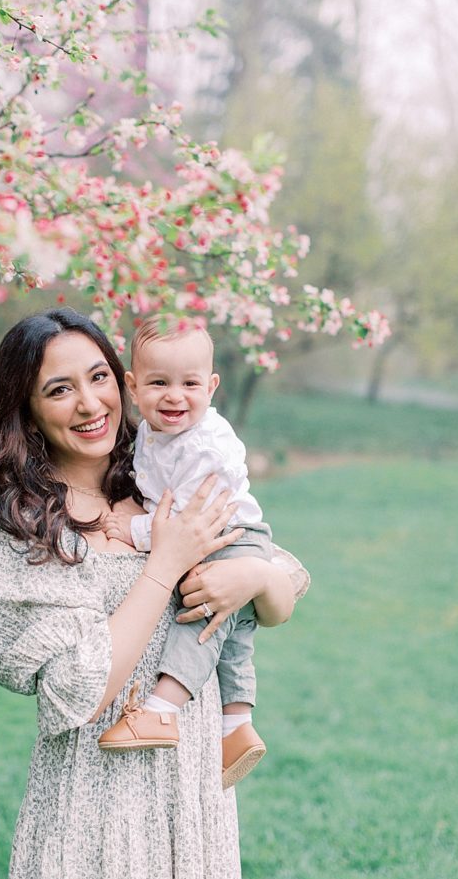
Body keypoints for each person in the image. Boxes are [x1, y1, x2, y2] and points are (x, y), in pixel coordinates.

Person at [0, 307, 305, 879]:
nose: (90, 403)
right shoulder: (32, 528)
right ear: (27, 410)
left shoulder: (161, 477)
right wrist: (164, 565)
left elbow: (282, 587)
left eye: (98, 377)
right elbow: (78, 692)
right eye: (59, 389)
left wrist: (249, 576)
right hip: (97, 798)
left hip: (191, 792)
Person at [98, 315, 309, 789]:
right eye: (158, 383)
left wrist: (132, 530)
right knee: (233, 632)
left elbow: (187, 526)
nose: (175, 395)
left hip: (230, 534)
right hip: (222, 534)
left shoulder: (207, 445)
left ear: (211, 386)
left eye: (190, 383)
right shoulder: (156, 432)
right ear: (133, 386)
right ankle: (236, 724)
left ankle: (162, 708)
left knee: (202, 616)